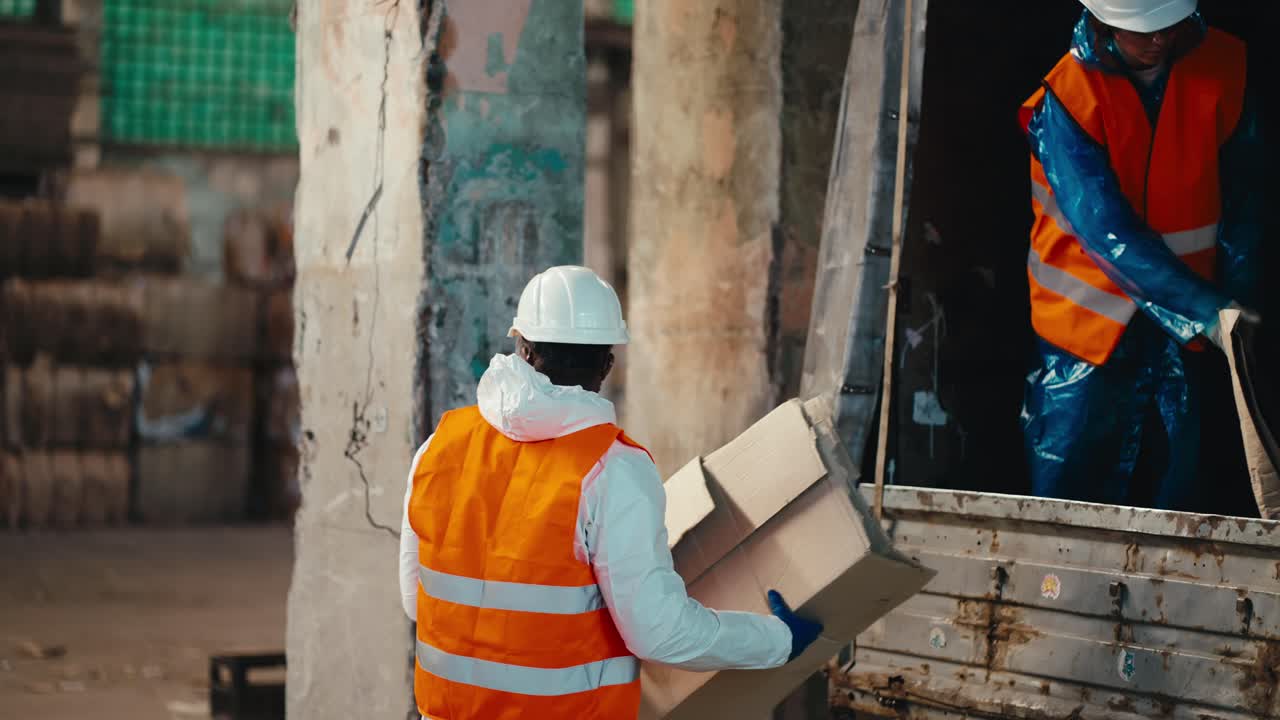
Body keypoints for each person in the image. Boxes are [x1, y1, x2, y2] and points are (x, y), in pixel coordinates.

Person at [398, 265, 823, 719]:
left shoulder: (438, 446)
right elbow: (657, 632)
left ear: (522, 347)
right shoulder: (613, 469)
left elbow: (415, 601)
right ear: (606, 363)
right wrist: (776, 640)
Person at [1018, 0, 1263, 509]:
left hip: (1191, 331)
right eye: (1143, 31)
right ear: (1105, 21)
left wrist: (1241, 302)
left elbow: (1250, 198)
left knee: (1185, 491)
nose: (1160, 39)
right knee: (1074, 497)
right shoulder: (1067, 98)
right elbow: (1106, 229)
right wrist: (1207, 311)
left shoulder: (1225, 66)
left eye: (1169, 25)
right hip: (1090, 334)